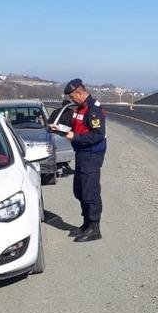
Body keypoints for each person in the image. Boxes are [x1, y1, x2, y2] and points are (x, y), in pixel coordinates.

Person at [51, 78, 106, 242]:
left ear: (80, 93)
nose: (71, 100)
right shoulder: (80, 109)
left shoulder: (93, 109)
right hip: (81, 153)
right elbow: (76, 129)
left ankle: (94, 227)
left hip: (91, 154)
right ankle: (86, 223)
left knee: (90, 191)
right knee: (80, 190)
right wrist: (60, 129)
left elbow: (98, 135)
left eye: (73, 97)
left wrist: (75, 137)